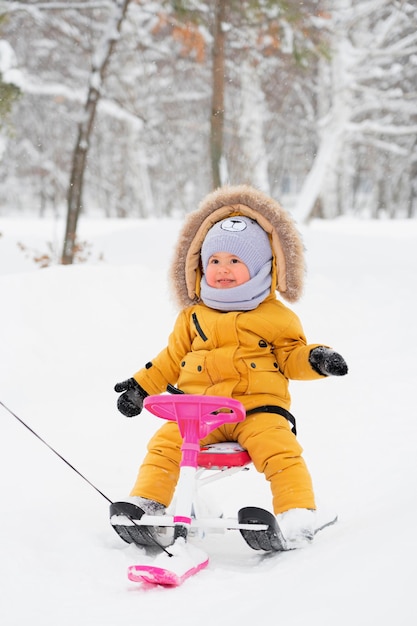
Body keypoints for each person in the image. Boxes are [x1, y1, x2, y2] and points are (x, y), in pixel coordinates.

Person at [114, 184, 348, 550]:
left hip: (257, 411)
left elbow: (292, 355)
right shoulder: (192, 317)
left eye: (235, 262)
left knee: (279, 449)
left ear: (257, 266)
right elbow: (170, 360)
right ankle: (148, 505)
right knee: (164, 444)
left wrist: (316, 358)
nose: (223, 270)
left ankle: (296, 514)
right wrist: (140, 387)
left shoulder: (275, 317)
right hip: (200, 414)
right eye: (215, 261)